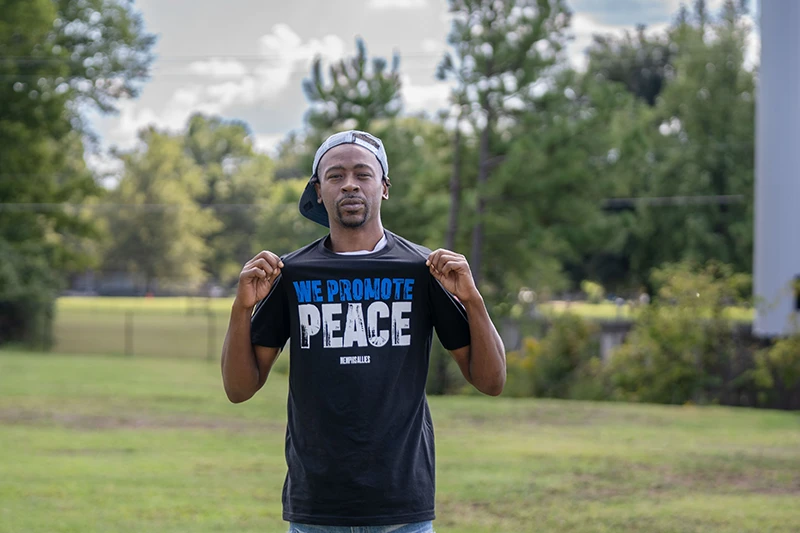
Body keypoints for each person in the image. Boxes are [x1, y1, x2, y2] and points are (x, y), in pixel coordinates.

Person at [221, 130, 506, 533]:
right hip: (317, 506)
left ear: (384, 187)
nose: (350, 183)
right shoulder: (292, 274)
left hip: (401, 505)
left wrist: (473, 300)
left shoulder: (424, 270)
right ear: (319, 192)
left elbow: (491, 381)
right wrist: (241, 309)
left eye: (363, 173)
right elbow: (239, 389)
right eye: (335, 176)